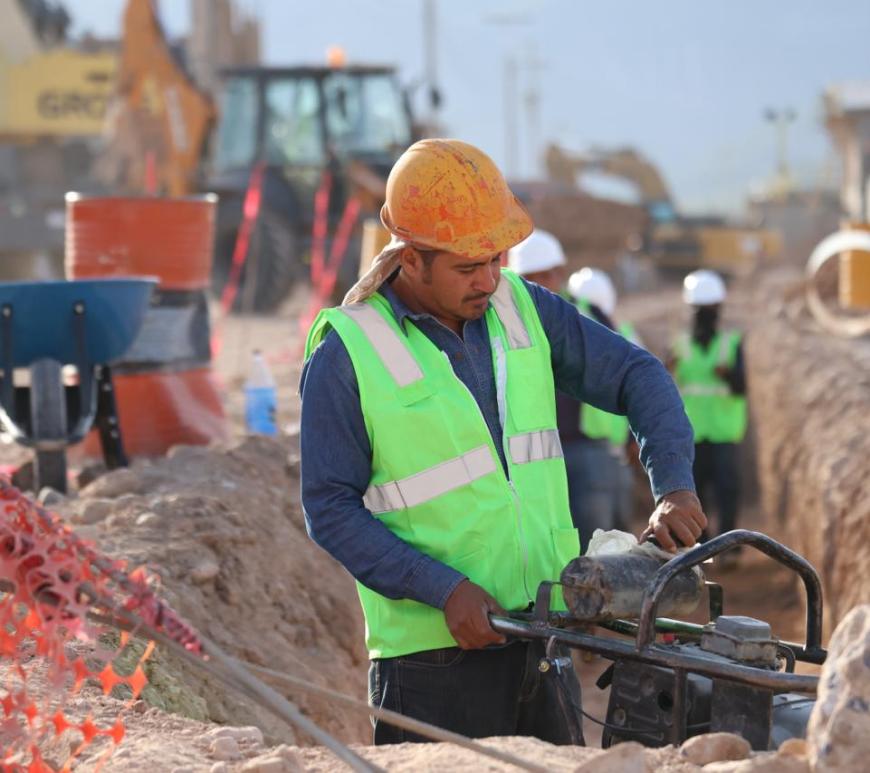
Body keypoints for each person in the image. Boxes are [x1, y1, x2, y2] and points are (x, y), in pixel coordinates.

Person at [299, 138, 706, 746]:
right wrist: (444, 590)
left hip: (546, 642)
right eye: (468, 267)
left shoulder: (523, 307)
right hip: (431, 666)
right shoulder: (347, 354)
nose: (490, 279)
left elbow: (637, 375)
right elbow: (328, 507)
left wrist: (673, 483)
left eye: (495, 259)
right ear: (410, 258)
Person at [670, 269, 746, 555]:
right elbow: (666, 383)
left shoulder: (731, 342)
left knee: (727, 491)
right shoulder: (679, 344)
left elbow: (742, 386)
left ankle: (730, 548)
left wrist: (728, 375)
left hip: (724, 431)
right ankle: (702, 547)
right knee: (695, 494)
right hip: (691, 433)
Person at [564, 267, 640, 546]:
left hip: (555, 452)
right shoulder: (621, 333)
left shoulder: (550, 327)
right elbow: (638, 392)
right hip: (604, 451)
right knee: (609, 545)